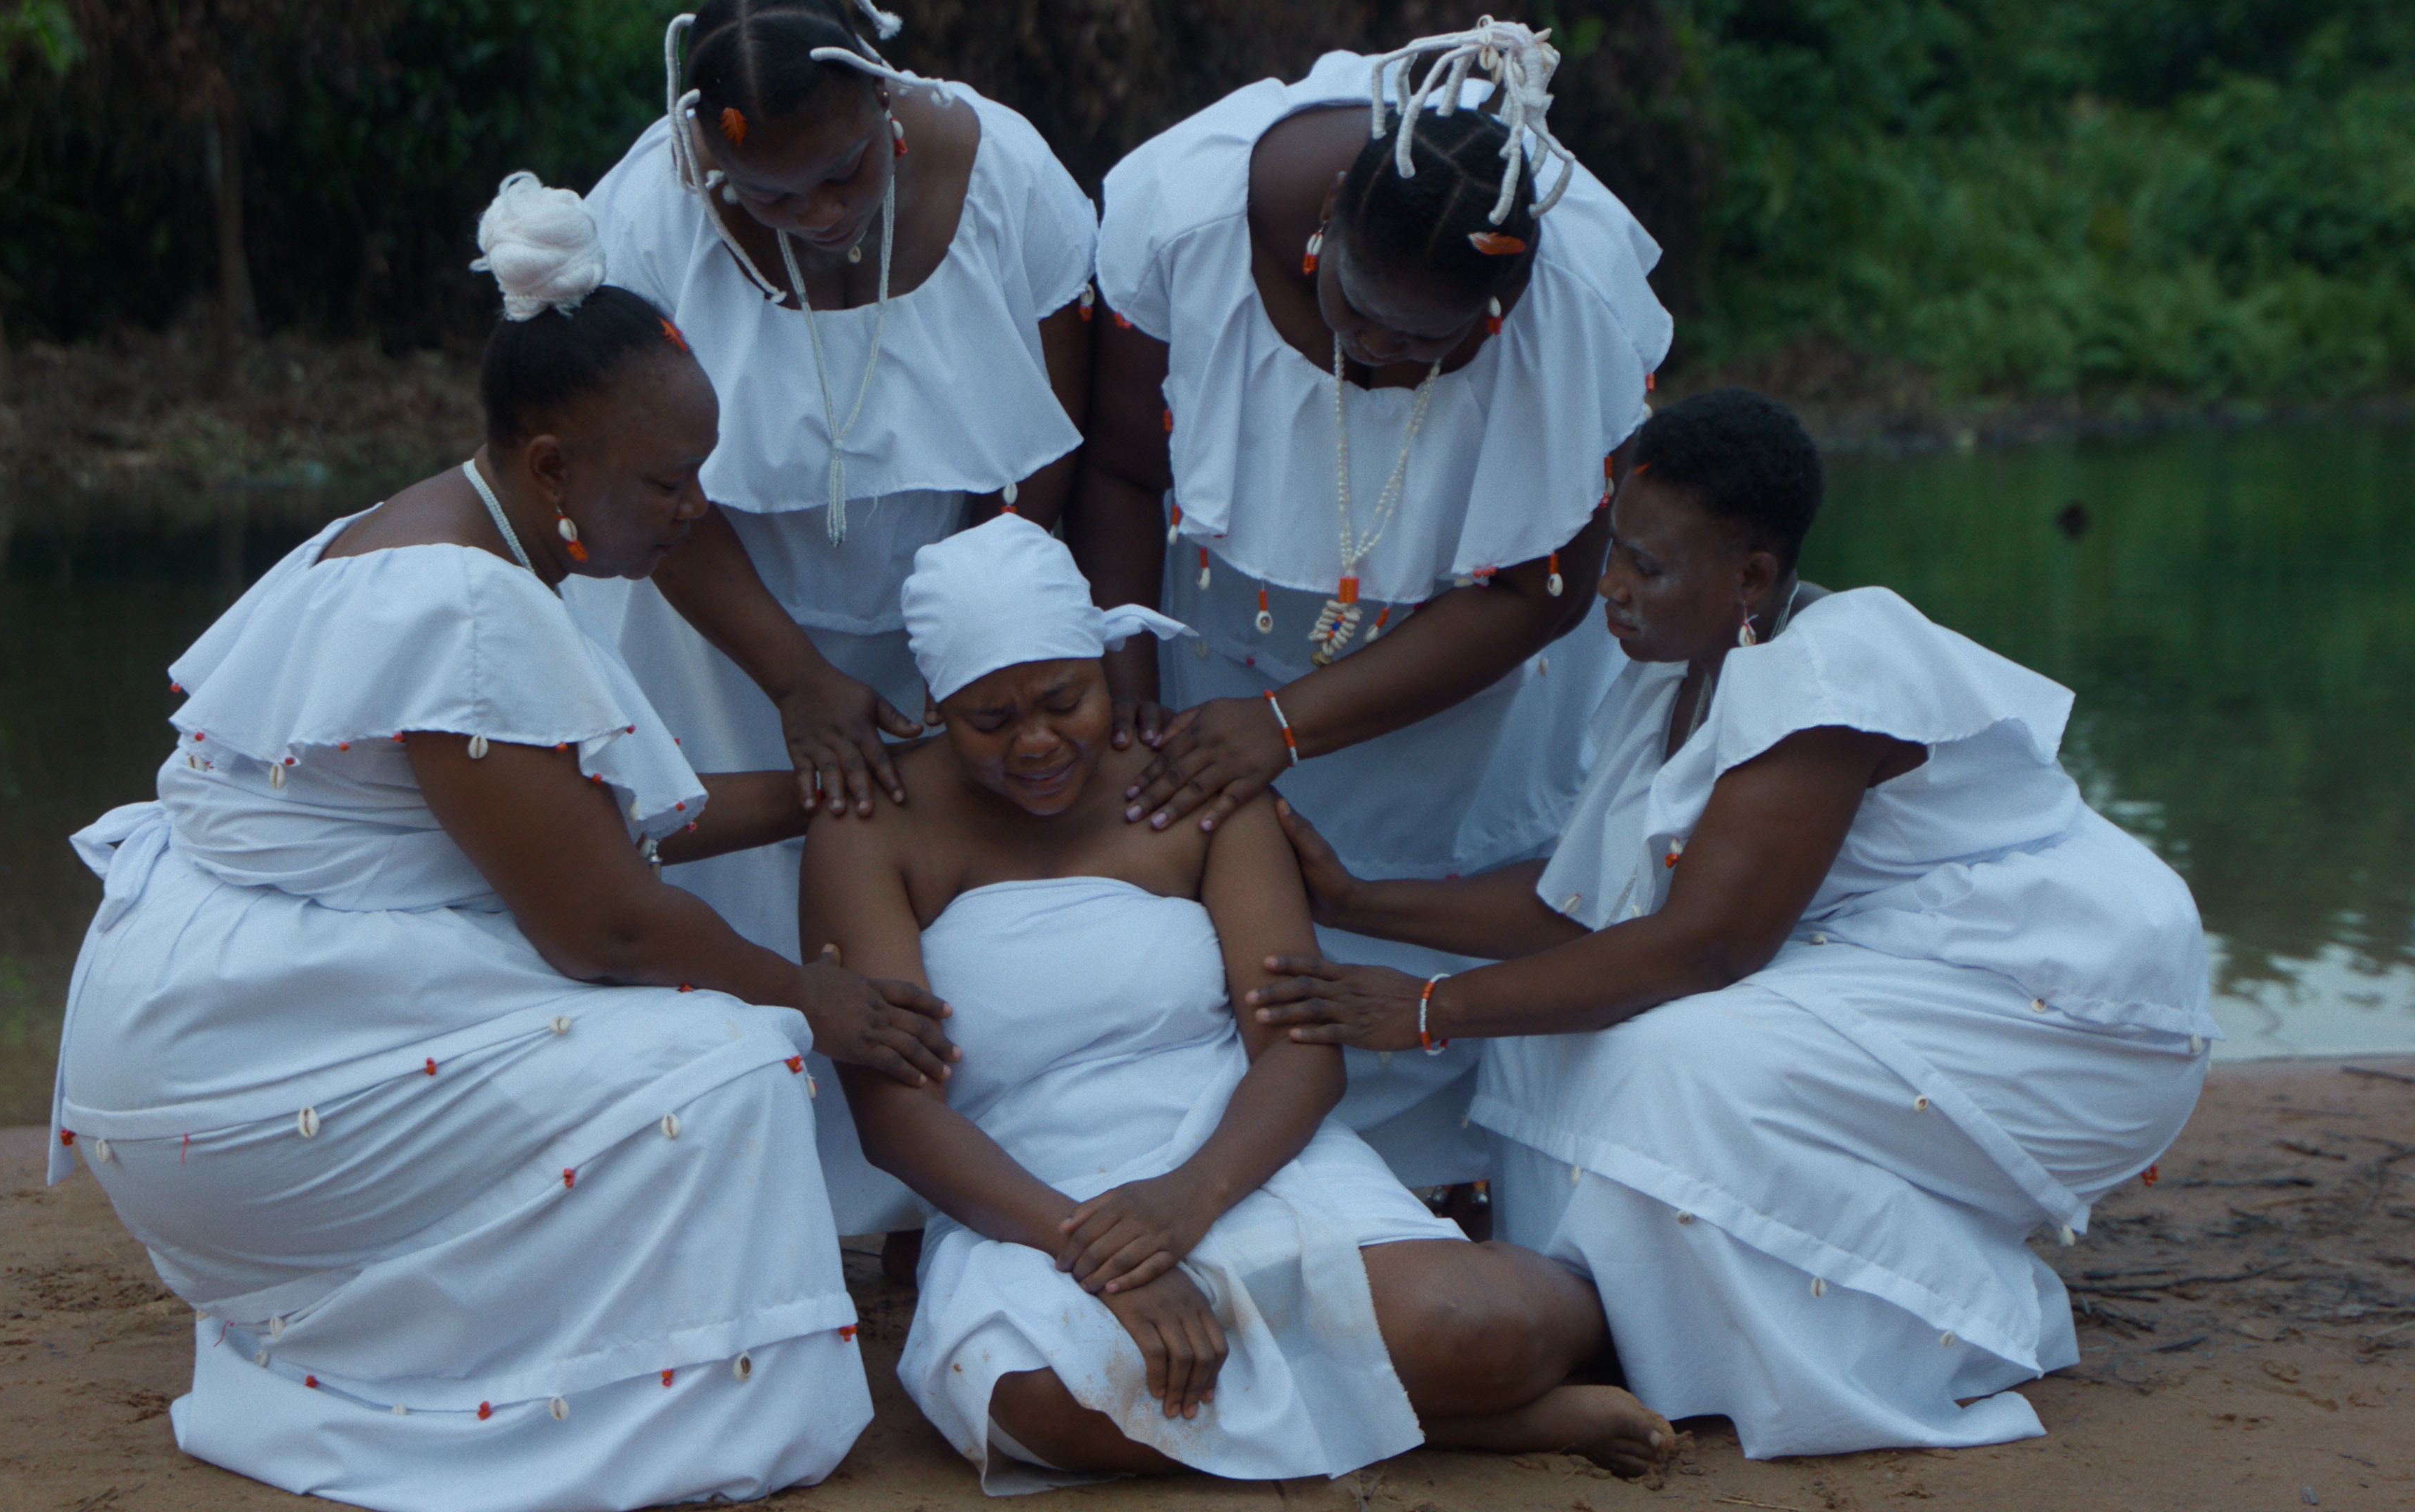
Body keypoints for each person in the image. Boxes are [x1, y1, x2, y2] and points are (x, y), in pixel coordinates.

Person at [43, 175, 956, 1512]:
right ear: (551, 467)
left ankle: (475, 1335)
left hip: (196, 1033)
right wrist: (816, 1000)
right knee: (734, 1059)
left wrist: (843, 783)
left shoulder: (415, 536)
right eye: (667, 482)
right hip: (247, 1067)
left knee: (701, 1024)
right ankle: (593, 1405)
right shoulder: (466, 605)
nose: (691, 511)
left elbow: (608, 822)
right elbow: (606, 923)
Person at [1250, 389, 2220, 1457]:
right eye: (1614, 553)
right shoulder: (1673, 674)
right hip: (1893, 968)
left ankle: (1950, 1319)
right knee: (1537, 1048)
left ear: (1752, 576)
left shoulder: (1829, 665)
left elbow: (1707, 947)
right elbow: (1581, 909)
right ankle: (1653, 1332)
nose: (1611, 590)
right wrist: (1354, 900)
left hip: (2058, 996)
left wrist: (1431, 1009)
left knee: (1677, 1057)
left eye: (1646, 568)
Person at [799, 514, 1673, 1492]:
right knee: (1037, 1399)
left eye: (1064, 700)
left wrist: (1190, 1200)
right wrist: (1097, 1254)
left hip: (1244, 1156)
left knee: (1485, 1324)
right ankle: (1455, 1421)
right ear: (935, 704)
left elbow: (1300, 1048)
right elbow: (895, 1116)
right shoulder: (873, 823)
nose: (1037, 742)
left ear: (1108, 666)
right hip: (1029, 1195)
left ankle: (1412, 1396)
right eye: (989, 721)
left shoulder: (1192, 779)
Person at [1072, 20, 1672, 1188]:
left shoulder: (1575, 305)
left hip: (1470, 673)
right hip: (1209, 632)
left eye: (1427, 339)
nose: (1382, 351)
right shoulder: (1186, 219)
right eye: (1358, 310)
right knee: (1234, 897)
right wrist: (1134, 681)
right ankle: (1249, 1164)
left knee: (1441, 878)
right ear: (1329, 222)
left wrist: (1289, 724)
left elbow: (1540, 590)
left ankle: (1454, 1183)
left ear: (1502, 308)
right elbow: (1122, 470)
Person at [573, 0, 1098, 1234]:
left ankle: (937, 1213)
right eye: (765, 194)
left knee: (945, 887)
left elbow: (1047, 439)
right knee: (737, 901)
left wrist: (976, 644)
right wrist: (797, 681)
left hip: (956, 599)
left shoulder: (1005, 168)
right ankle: (755, 1221)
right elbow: (642, 493)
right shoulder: (639, 218)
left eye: (842, 172)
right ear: (707, 155)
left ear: (884, 98)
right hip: (708, 610)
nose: (813, 213)